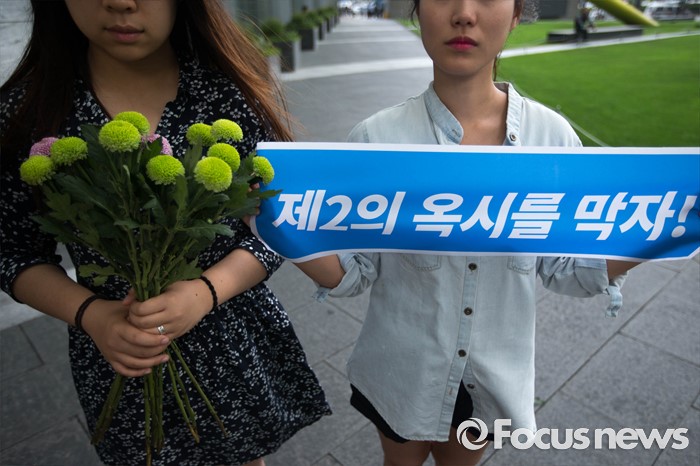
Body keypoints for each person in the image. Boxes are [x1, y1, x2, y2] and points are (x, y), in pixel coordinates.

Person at [290, 1, 639, 465]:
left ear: (516, 14)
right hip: (399, 373)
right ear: (417, 11)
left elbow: (568, 270)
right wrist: (280, 226)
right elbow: (353, 273)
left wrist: (665, 230)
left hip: (492, 381)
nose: (464, 14)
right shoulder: (377, 139)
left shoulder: (553, 140)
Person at [0, 1, 330, 465]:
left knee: (244, 455)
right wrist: (93, 316)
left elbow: (276, 223)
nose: (121, 2)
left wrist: (206, 291)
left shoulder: (228, 93)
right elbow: (13, 251)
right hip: (118, 355)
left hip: (229, 337)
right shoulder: (28, 112)